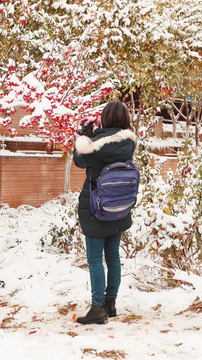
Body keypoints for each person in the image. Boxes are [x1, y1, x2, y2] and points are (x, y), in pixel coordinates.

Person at [73, 101, 138, 325]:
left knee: (94, 259)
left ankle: (98, 308)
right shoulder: (128, 142)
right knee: (113, 257)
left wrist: (83, 134)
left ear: (105, 118)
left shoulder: (97, 144)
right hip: (119, 207)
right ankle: (111, 303)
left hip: (96, 208)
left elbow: (79, 158)